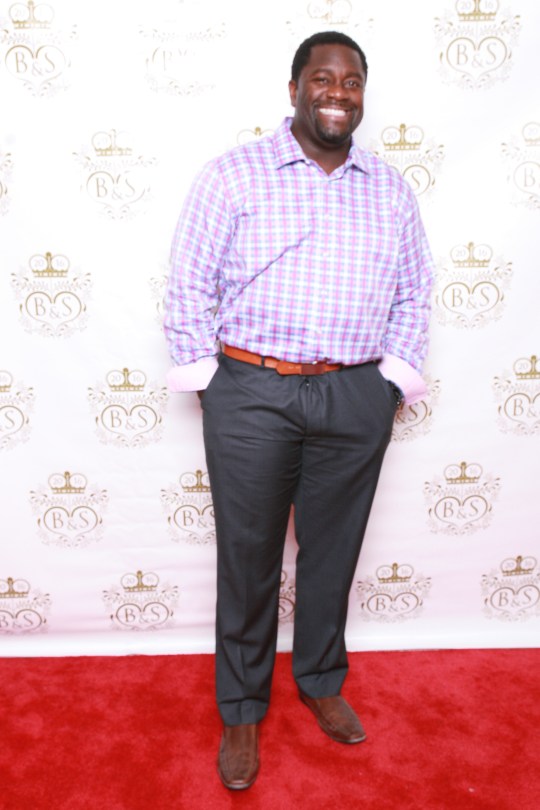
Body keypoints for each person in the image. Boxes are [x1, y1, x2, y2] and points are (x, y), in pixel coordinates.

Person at [163, 30, 433, 791]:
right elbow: (189, 282)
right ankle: (242, 708)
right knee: (248, 557)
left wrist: (386, 385)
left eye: (351, 82)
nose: (338, 93)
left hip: (354, 393)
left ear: (361, 95)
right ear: (294, 90)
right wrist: (216, 384)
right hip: (253, 391)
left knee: (332, 552)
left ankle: (319, 679)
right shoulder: (233, 174)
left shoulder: (390, 189)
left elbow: (416, 291)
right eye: (323, 78)